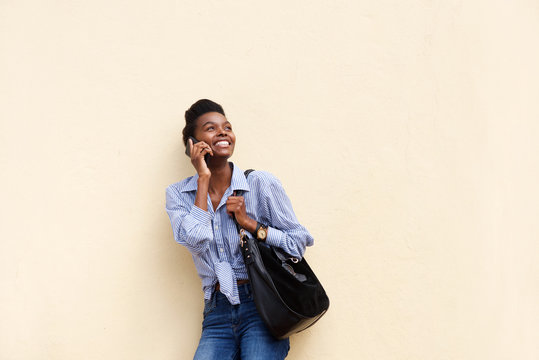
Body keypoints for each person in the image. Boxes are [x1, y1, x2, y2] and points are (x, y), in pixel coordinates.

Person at [165, 99, 314, 359]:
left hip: (262, 304)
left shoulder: (260, 184)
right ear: (193, 144)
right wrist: (203, 179)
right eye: (211, 128)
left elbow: (297, 243)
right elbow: (196, 241)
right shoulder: (178, 195)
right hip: (217, 309)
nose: (223, 132)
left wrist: (251, 224)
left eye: (227, 127)